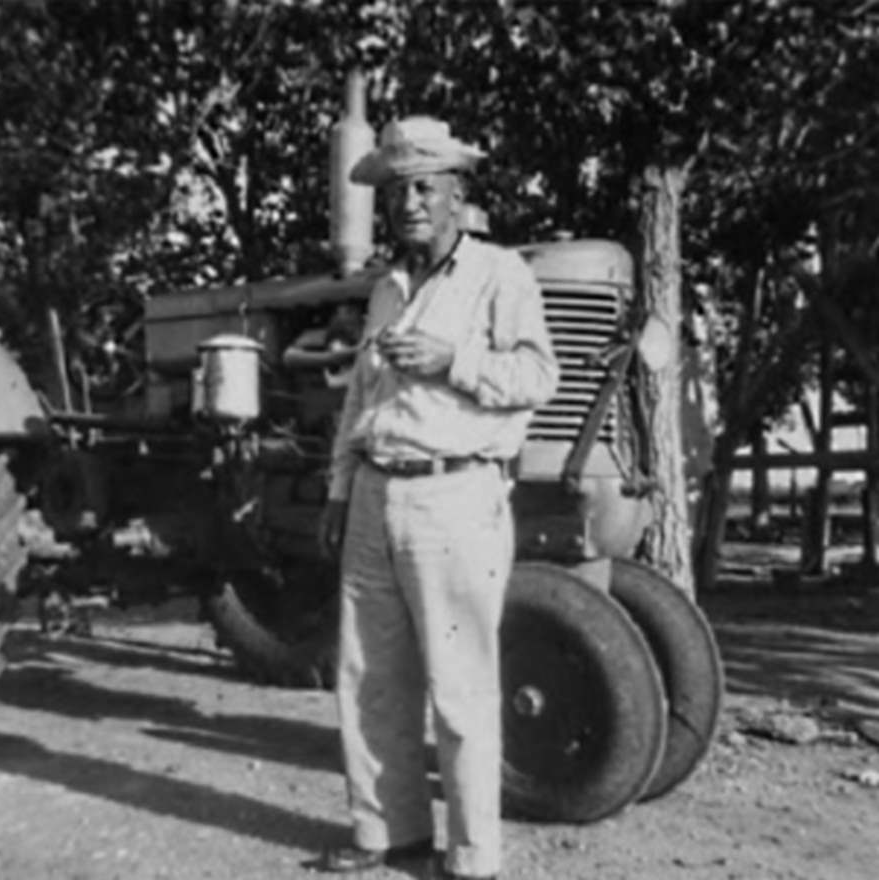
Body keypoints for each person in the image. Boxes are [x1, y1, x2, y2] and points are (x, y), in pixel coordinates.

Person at [317, 116, 559, 880]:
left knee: (459, 686)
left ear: (458, 196)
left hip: (454, 496)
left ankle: (473, 860)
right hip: (374, 495)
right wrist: (337, 488)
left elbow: (537, 379)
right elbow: (360, 397)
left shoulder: (500, 275)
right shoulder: (387, 288)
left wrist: (453, 359)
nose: (411, 202)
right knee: (368, 677)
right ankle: (389, 837)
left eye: (427, 186)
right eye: (397, 190)